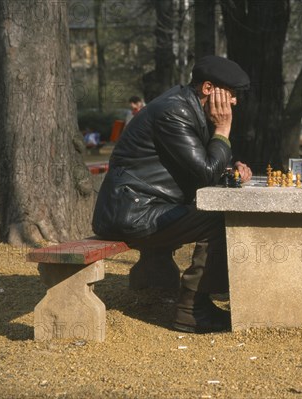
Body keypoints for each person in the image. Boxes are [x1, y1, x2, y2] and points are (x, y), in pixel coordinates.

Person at [92, 55, 253, 333]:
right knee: (218, 220)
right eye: (232, 94)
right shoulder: (174, 111)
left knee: (220, 215)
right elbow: (203, 173)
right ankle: (192, 310)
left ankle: (194, 301)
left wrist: (229, 166)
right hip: (132, 212)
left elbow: (197, 162)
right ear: (207, 88)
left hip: (147, 206)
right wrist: (223, 130)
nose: (235, 102)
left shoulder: (188, 108)